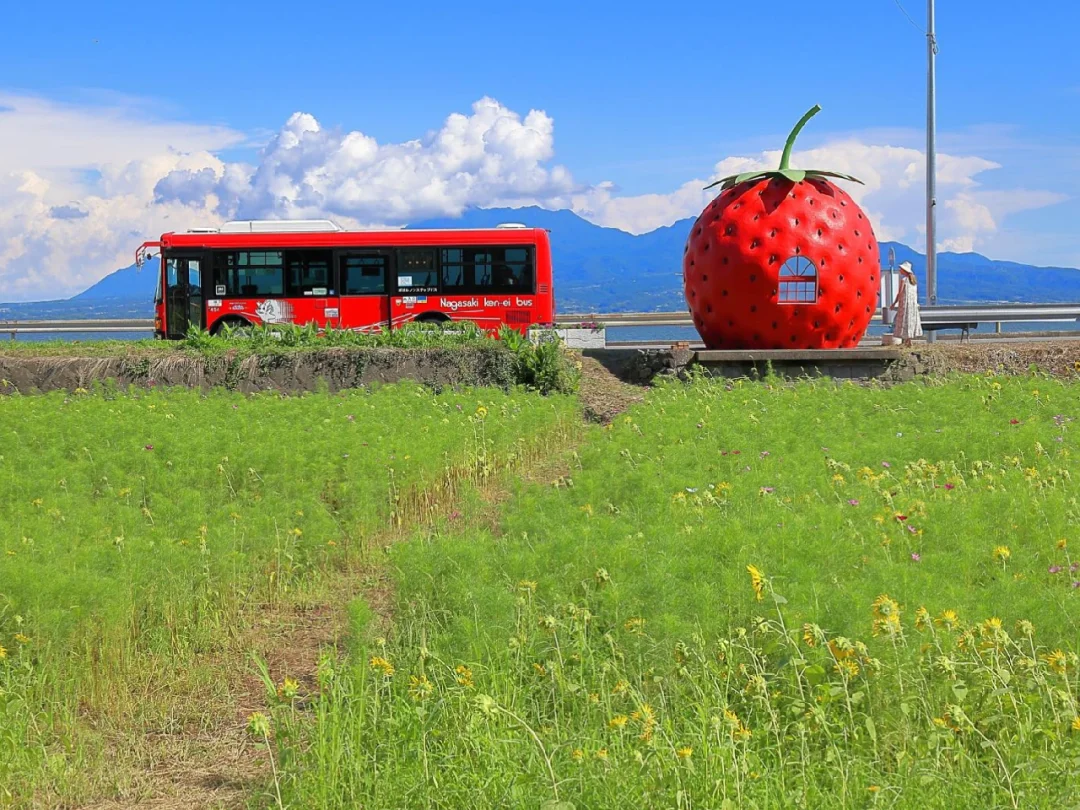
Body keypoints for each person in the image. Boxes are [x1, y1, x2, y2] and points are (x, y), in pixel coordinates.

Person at [891, 261, 922, 346]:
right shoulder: (914, 281)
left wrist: (894, 303)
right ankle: (908, 340)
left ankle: (906, 341)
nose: (900, 270)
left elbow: (900, 293)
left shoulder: (904, 280)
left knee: (904, 321)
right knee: (910, 321)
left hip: (905, 304)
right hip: (913, 305)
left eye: (901, 269)